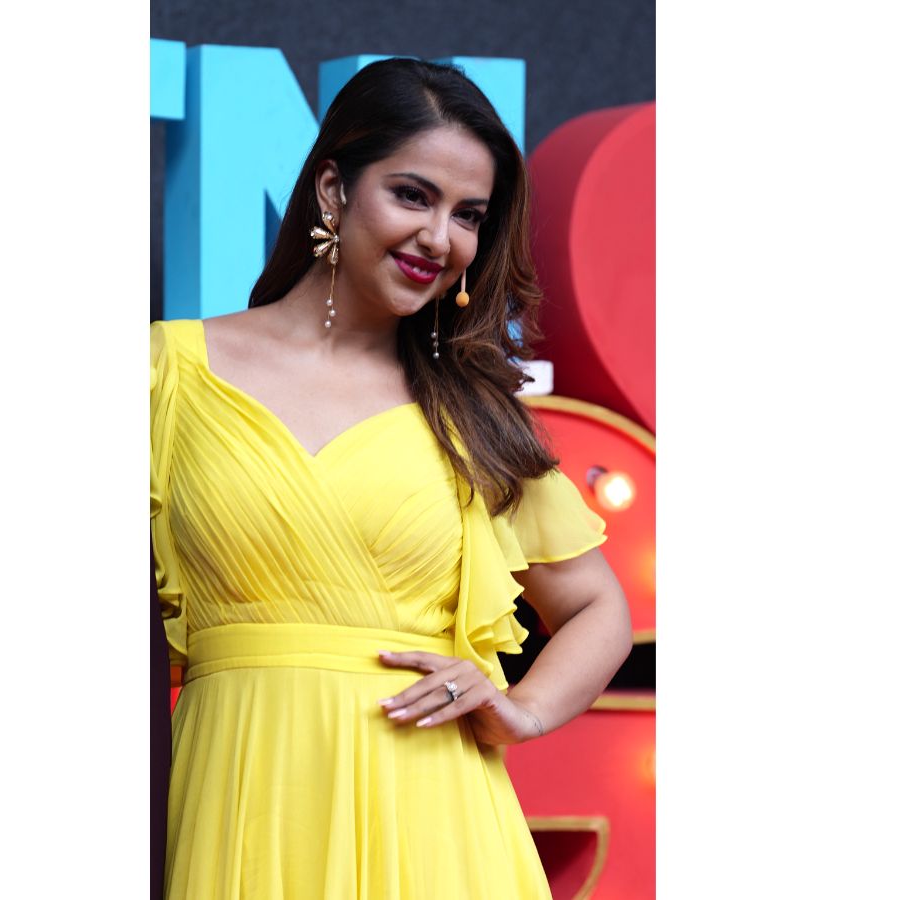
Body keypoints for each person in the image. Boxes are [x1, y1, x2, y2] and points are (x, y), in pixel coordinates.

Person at [151, 57, 633, 899]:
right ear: (333, 190)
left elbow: (600, 608)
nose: (441, 239)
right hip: (241, 805)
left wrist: (522, 710)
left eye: (468, 215)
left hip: (437, 823)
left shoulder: (472, 412)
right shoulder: (166, 372)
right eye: (413, 195)